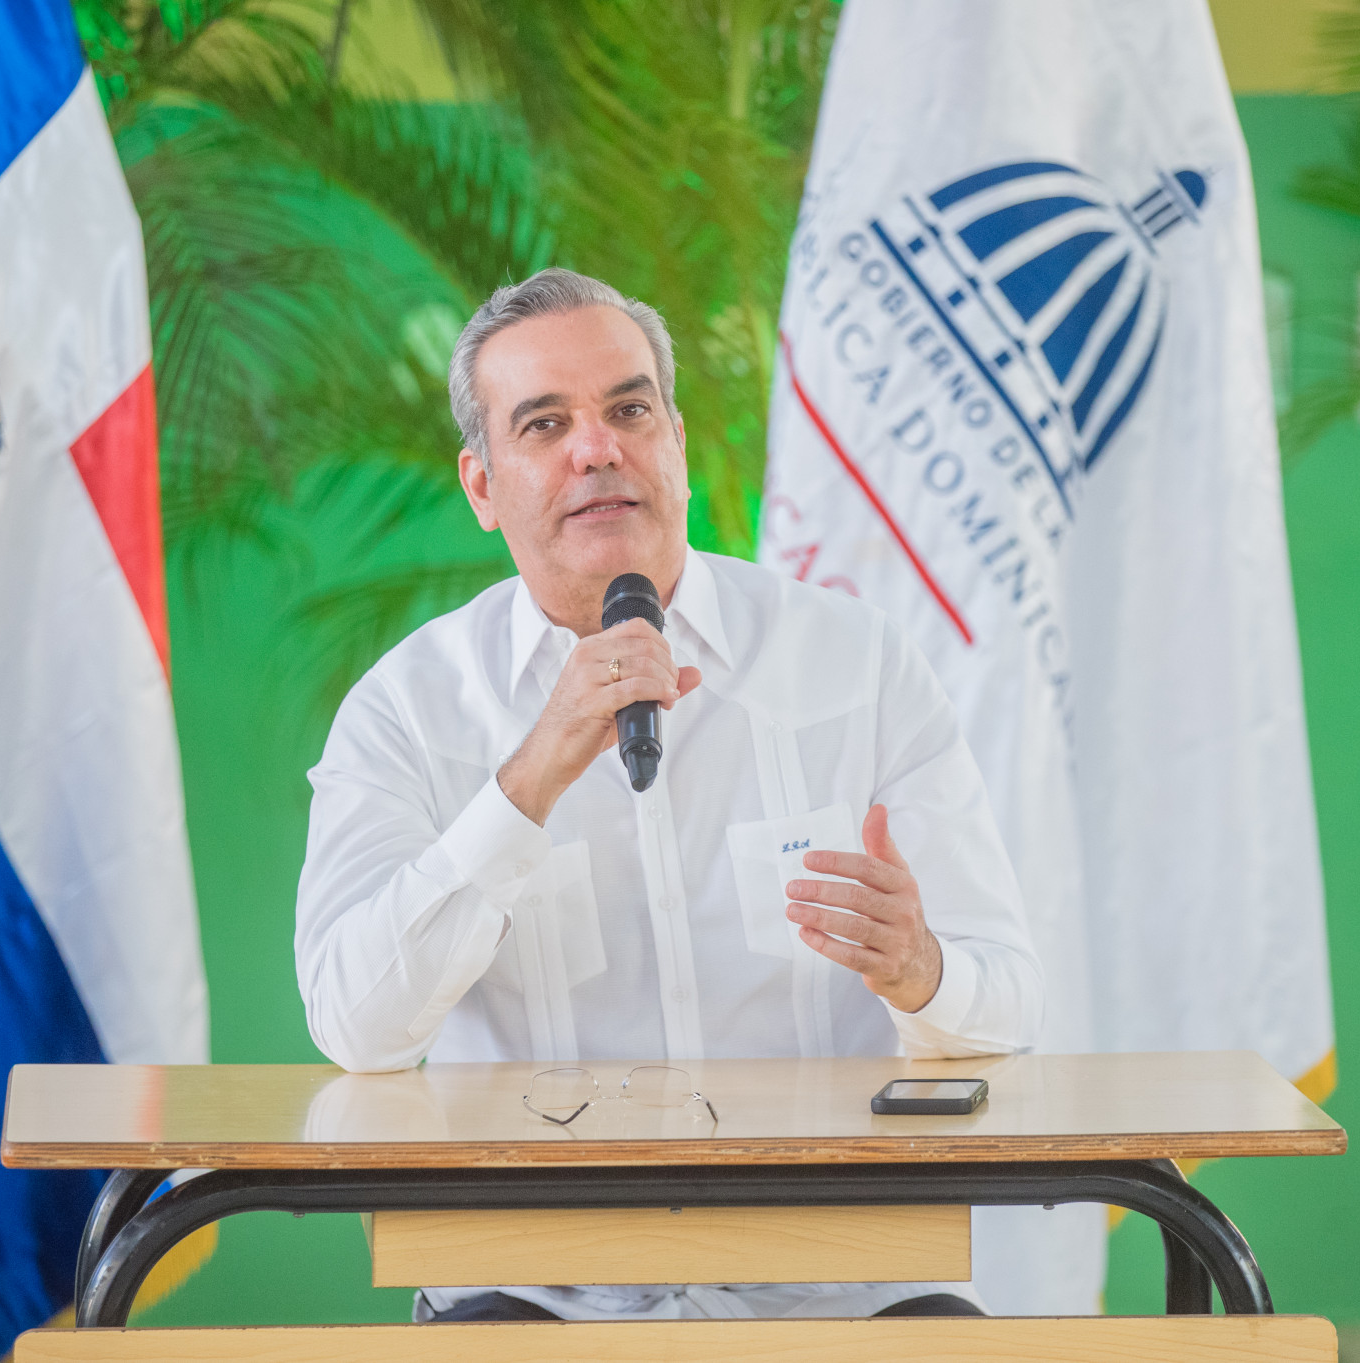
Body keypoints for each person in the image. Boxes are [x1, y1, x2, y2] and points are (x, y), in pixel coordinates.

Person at [294, 268, 1042, 1322]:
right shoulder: (409, 710)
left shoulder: (859, 665)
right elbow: (354, 1025)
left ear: (677, 443)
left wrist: (923, 971)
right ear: (482, 486)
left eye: (629, 409)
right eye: (545, 424)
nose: (596, 448)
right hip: (537, 1295)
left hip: (841, 1292)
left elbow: (1008, 999)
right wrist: (529, 778)